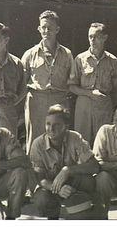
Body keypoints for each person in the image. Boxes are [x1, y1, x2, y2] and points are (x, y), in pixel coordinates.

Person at [30, 104, 101, 219]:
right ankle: (53, 218)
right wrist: (57, 189)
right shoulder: (38, 144)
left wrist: (68, 170)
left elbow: (94, 166)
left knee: (89, 181)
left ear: (66, 126)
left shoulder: (75, 137)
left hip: (72, 182)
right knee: (41, 198)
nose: (51, 129)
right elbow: (39, 178)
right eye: (48, 124)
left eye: (56, 125)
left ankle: (89, 212)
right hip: (50, 186)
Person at [21, 10, 74, 154]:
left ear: (57, 29)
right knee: (35, 139)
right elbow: (21, 82)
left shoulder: (67, 54)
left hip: (59, 100)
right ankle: (33, 172)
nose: (46, 31)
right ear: (39, 29)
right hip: (36, 100)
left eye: (50, 27)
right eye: (43, 27)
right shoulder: (29, 54)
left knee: (60, 137)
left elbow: (72, 80)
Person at [68, 22, 117, 147]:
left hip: (104, 105)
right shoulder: (80, 59)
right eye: (90, 36)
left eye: (96, 37)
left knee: (103, 141)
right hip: (84, 105)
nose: (92, 40)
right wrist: (89, 93)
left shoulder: (112, 61)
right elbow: (71, 86)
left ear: (104, 38)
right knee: (82, 141)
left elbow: (116, 87)